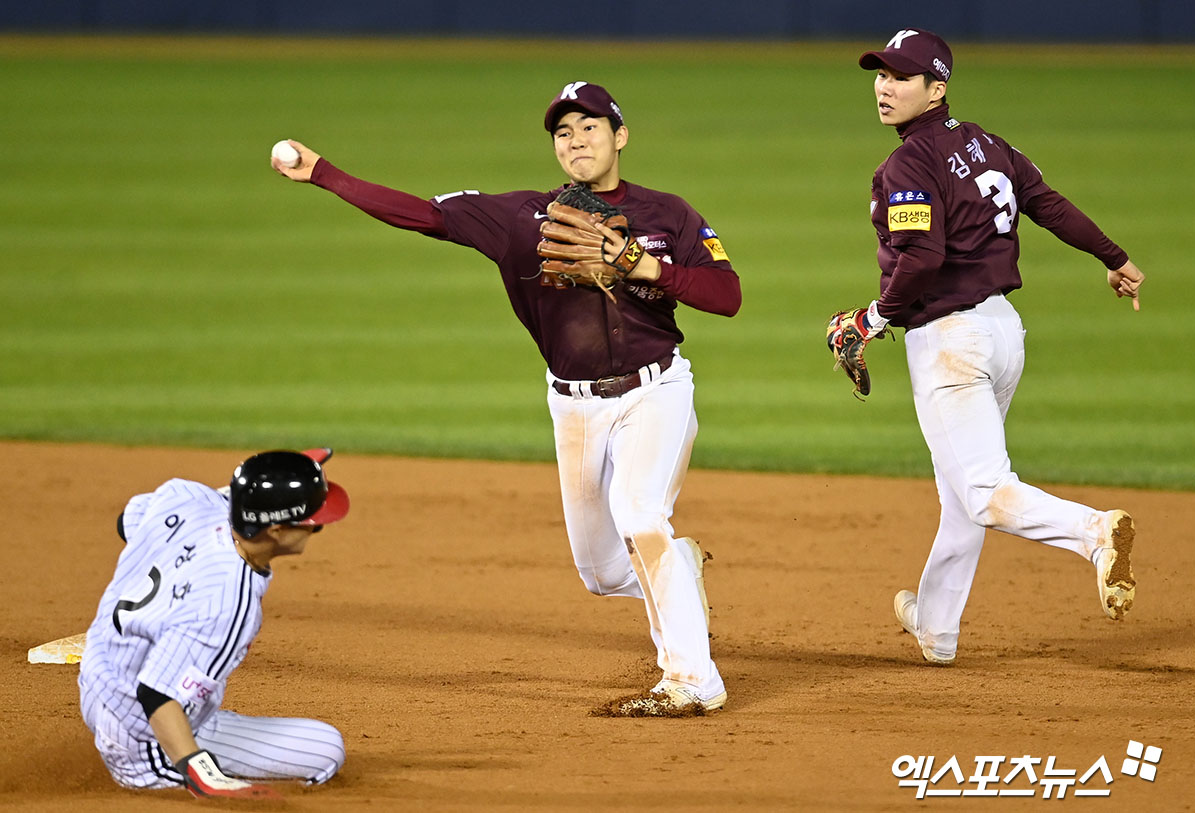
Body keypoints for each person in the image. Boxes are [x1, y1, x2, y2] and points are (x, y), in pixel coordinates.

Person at [271, 81, 740, 714]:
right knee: (602, 574)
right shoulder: (519, 217)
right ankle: (678, 568)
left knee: (640, 515)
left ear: (620, 136)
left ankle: (691, 679)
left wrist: (641, 265)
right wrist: (325, 174)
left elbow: (726, 295)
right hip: (572, 405)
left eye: (591, 127)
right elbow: (423, 214)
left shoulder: (668, 214)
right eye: (564, 132)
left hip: (654, 390)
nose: (577, 140)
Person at [842, 29, 1144, 664]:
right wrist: (1113, 258)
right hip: (1004, 332)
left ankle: (1094, 534)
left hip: (951, 341)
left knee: (983, 492)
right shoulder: (985, 143)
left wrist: (872, 319)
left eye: (900, 76)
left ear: (936, 89)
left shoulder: (905, 167)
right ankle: (935, 627)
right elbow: (1048, 204)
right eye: (880, 74)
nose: (884, 86)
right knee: (961, 495)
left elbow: (920, 259)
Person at [79, 448, 351, 797]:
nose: (320, 528)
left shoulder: (185, 496)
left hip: (99, 673)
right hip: (142, 734)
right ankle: (155, 768)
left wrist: (250, 495)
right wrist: (201, 771)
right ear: (277, 529)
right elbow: (157, 694)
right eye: (313, 523)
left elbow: (126, 522)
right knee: (326, 750)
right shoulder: (227, 602)